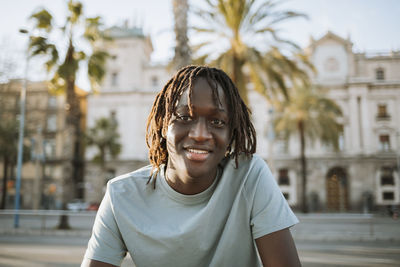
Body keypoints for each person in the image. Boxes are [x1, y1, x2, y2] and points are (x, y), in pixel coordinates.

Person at [81, 65, 301, 267]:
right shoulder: (121, 195)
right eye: (184, 117)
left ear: (231, 133)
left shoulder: (250, 176)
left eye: (217, 122)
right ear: (163, 125)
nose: (200, 134)